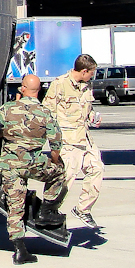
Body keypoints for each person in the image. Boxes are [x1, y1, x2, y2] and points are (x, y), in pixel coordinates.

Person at [0, 74, 67, 265]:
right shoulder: (45, 112)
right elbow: (56, 142)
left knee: (15, 207)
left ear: (23, 88)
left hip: (11, 166)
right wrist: (55, 161)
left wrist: (7, 133)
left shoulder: (7, 109)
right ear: (38, 90)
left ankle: (19, 250)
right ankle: (47, 211)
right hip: (35, 164)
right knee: (59, 173)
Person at [44, 54, 103, 229]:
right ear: (84, 71)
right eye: (91, 73)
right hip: (68, 140)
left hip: (85, 138)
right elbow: (48, 113)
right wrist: (53, 141)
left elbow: (87, 109)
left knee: (97, 169)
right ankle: (50, 210)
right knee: (66, 178)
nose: (92, 76)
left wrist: (92, 116)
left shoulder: (86, 86)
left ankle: (83, 209)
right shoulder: (59, 84)